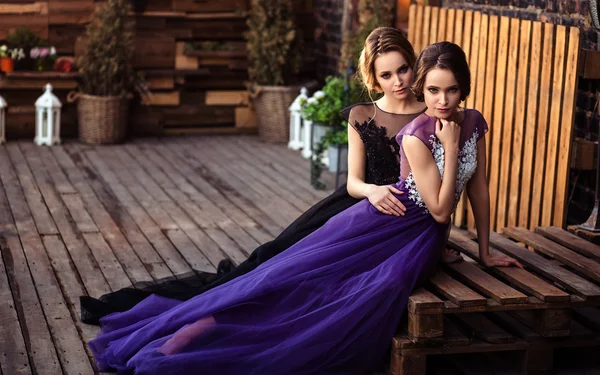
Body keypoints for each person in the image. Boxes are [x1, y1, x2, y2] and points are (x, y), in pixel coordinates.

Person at [87, 41, 523, 375]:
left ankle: (206, 332)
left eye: (451, 90)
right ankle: (184, 337)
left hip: (415, 241)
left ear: (464, 89)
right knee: (286, 278)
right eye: (433, 90)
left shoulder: (473, 121)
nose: (442, 100)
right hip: (386, 222)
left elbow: (478, 188)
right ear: (421, 86)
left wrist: (484, 250)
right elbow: (443, 210)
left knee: (361, 290)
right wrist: (446, 143)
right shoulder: (417, 134)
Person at [80, 26, 459, 325]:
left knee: (323, 282)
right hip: (356, 209)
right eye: (387, 74)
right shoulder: (363, 115)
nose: (398, 80)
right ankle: (189, 313)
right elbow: (352, 182)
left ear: (414, 64)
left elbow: (444, 182)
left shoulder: (433, 111)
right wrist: (374, 191)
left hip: (401, 227)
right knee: (267, 263)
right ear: (375, 78)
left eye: (403, 69)